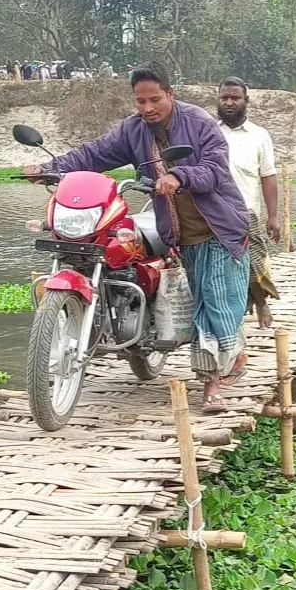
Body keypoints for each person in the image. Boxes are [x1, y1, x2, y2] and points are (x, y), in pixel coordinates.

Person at [21, 61, 251, 413]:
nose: (147, 108)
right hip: (177, 234)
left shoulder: (200, 124)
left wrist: (179, 177)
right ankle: (228, 355)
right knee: (203, 300)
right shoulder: (134, 130)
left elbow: (215, 171)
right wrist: (52, 168)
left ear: (170, 94)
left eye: (154, 99)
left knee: (213, 302)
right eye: (140, 101)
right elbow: (94, 154)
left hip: (218, 229)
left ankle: (211, 386)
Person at [216, 76, 281, 328]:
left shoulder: (259, 136)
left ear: (246, 101)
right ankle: (230, 313)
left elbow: (268, 176)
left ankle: (261, 304)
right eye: (224, 98)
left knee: (252, 258)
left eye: (235, 98)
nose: (229, 102)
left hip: (246, 211)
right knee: (219, 264)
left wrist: (273, 216)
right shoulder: (209, 131)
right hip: (212, 211)